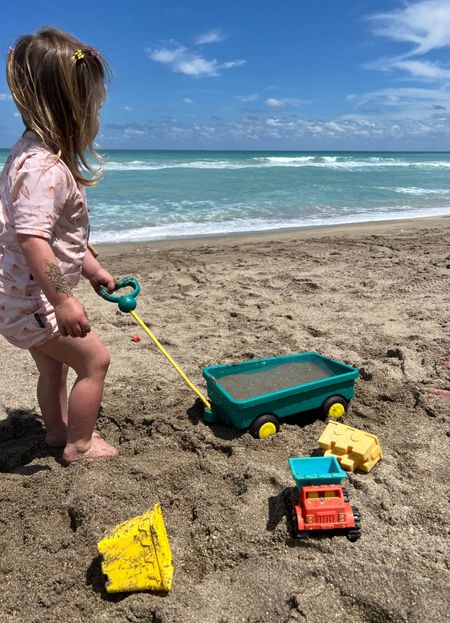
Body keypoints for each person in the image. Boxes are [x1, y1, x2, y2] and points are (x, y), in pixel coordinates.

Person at [0, 28, 118, 463]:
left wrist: (90, 267)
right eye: (94, 106)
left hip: (18, 300)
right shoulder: (44, 168)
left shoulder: (28, 156)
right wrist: (64, 300)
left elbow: (51, 234)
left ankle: (55, 434)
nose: (97, 115)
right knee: (94, 363)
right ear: (71, 108)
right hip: (37, 302)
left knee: (52, 367)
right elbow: (33, 241)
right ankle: (80, 445)